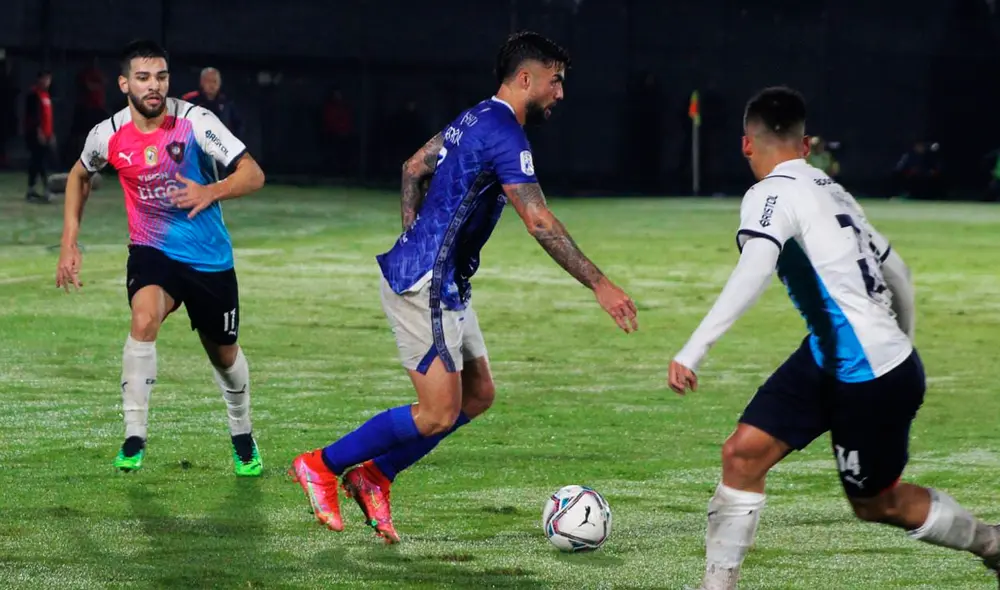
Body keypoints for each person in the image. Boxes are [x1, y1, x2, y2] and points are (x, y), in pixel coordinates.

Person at [290, 31, 638, 544]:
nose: (560, 93)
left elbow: (413, 167)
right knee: (436, 413)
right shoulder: (505, 133)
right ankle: (320, 464)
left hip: (445, 278)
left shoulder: (477, 115)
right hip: (427, 282)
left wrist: (413, 231)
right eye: (555, 81)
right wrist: (600, 284)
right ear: (526, 78)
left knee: (478, 394)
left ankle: (374, 476)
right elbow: (538, 221)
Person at [666, 86, 1000, 590]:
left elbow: (755, 267)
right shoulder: (833, 190)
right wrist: (901, 346)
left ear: (746, 145)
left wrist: (694, 350)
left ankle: (992, 543)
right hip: (837, 356)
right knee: (742, 454)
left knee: (878, 503)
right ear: (805, 147)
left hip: (869, 375)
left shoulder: (767, 194)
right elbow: (900, 274)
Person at [55, 40, 267, 476]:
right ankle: (134, 436)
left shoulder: (196, 122)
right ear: (123, 83)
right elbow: (80, 175)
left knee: (224, 355)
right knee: (143, 317)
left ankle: (242, 434)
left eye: (161, 77)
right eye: (143, 78)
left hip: (209, 259)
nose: (154, 86)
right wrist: (69, 241)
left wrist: (211, 190)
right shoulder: (108, 134)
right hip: (152, 250)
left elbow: (253, 173)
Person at [23, 70, 55, 203]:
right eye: (45, 79)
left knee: (37, 162)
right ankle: (47, 190)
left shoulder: (46, 95)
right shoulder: (33, 94)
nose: (47, 82)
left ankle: (31, 190)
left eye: (49, 79)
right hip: (35, 133)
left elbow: (47, 116)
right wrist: (39, 131)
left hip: (46, 133)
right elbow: (33, 116)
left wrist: (50, 133)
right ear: (39, 79)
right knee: (40, 162)